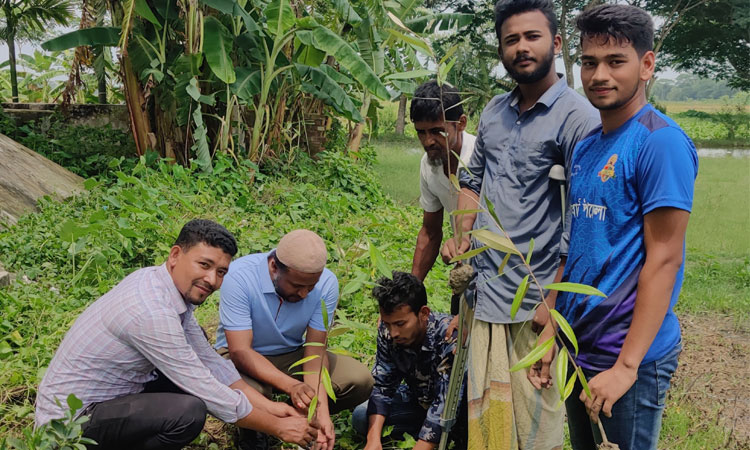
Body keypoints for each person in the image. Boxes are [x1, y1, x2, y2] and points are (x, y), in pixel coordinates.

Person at [535, 5, 698, 449]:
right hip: (580, 350)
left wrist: (626, 368)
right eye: (589, 62)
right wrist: (553, 331)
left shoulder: (659, 142)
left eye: (615, 61)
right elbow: (580, 248)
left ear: (646, 65)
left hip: (628, 359)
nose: (599, 75)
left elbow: (665, 258)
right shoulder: (588, 146)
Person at [441, 0, 600, 448]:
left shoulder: (577, 118)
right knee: (487, 415)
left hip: (532, 300)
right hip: (485, 290)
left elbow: (580, 222)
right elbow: (471, 180)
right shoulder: (493, 111)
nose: (522, 48)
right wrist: (462, 237)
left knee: (534, 424)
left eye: (532, 37)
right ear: (502, 49)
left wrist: (553, 304)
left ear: (556, 42)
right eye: (511, 40)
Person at [35, 219, 318, 450]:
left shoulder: (163, 286)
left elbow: (210, 362)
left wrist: (270, 408)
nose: (212, 280)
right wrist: (278, 426)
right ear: (175, 256)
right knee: (188, 411)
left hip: (112, 398)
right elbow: (203, 388)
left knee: (189, 385)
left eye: (221, 272)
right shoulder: (150, 311)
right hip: (68, 427)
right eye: (204, 265)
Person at [215, 229, 374, 450]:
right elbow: (240, 351)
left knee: (359, 379)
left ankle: (298, 416)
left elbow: (315, 352)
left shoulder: (327, 284)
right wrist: (293, 386)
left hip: (290, 354)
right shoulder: (240, 276)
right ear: (273, 267)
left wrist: (321, 412)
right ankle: (254, 429)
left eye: (310, 287)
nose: (304, 294)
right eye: (297, 286)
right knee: (254, 393)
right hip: (238, 355)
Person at [352, 271, 467, 450]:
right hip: (420, 403)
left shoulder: (449, 337)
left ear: (423, 313)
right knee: (361, 417)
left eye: (400, 324)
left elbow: (445, 406)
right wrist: (372, 441)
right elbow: (383, 386)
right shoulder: (388, 331)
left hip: (456, 414)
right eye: (387, 323)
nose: (393, 333)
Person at [410, 80, 476, 292]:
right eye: (421, 132)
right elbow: (430, 231)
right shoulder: (428, 164)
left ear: (461, 123)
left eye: (437, 131)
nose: (428, 141)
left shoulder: (480, 157)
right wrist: (411, 290)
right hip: (464, 269)